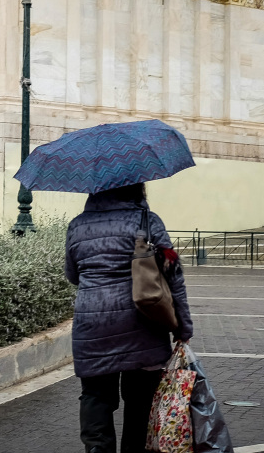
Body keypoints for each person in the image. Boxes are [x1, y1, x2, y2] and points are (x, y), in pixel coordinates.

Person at [65, 182, 194, 453]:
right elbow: (173, 276)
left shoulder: (77, 225)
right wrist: (183, 325)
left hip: (92, 326)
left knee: (95, 396)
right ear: (137, 188)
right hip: (143, 323)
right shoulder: (147, 222)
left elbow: (73, 275)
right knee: (141, 400)